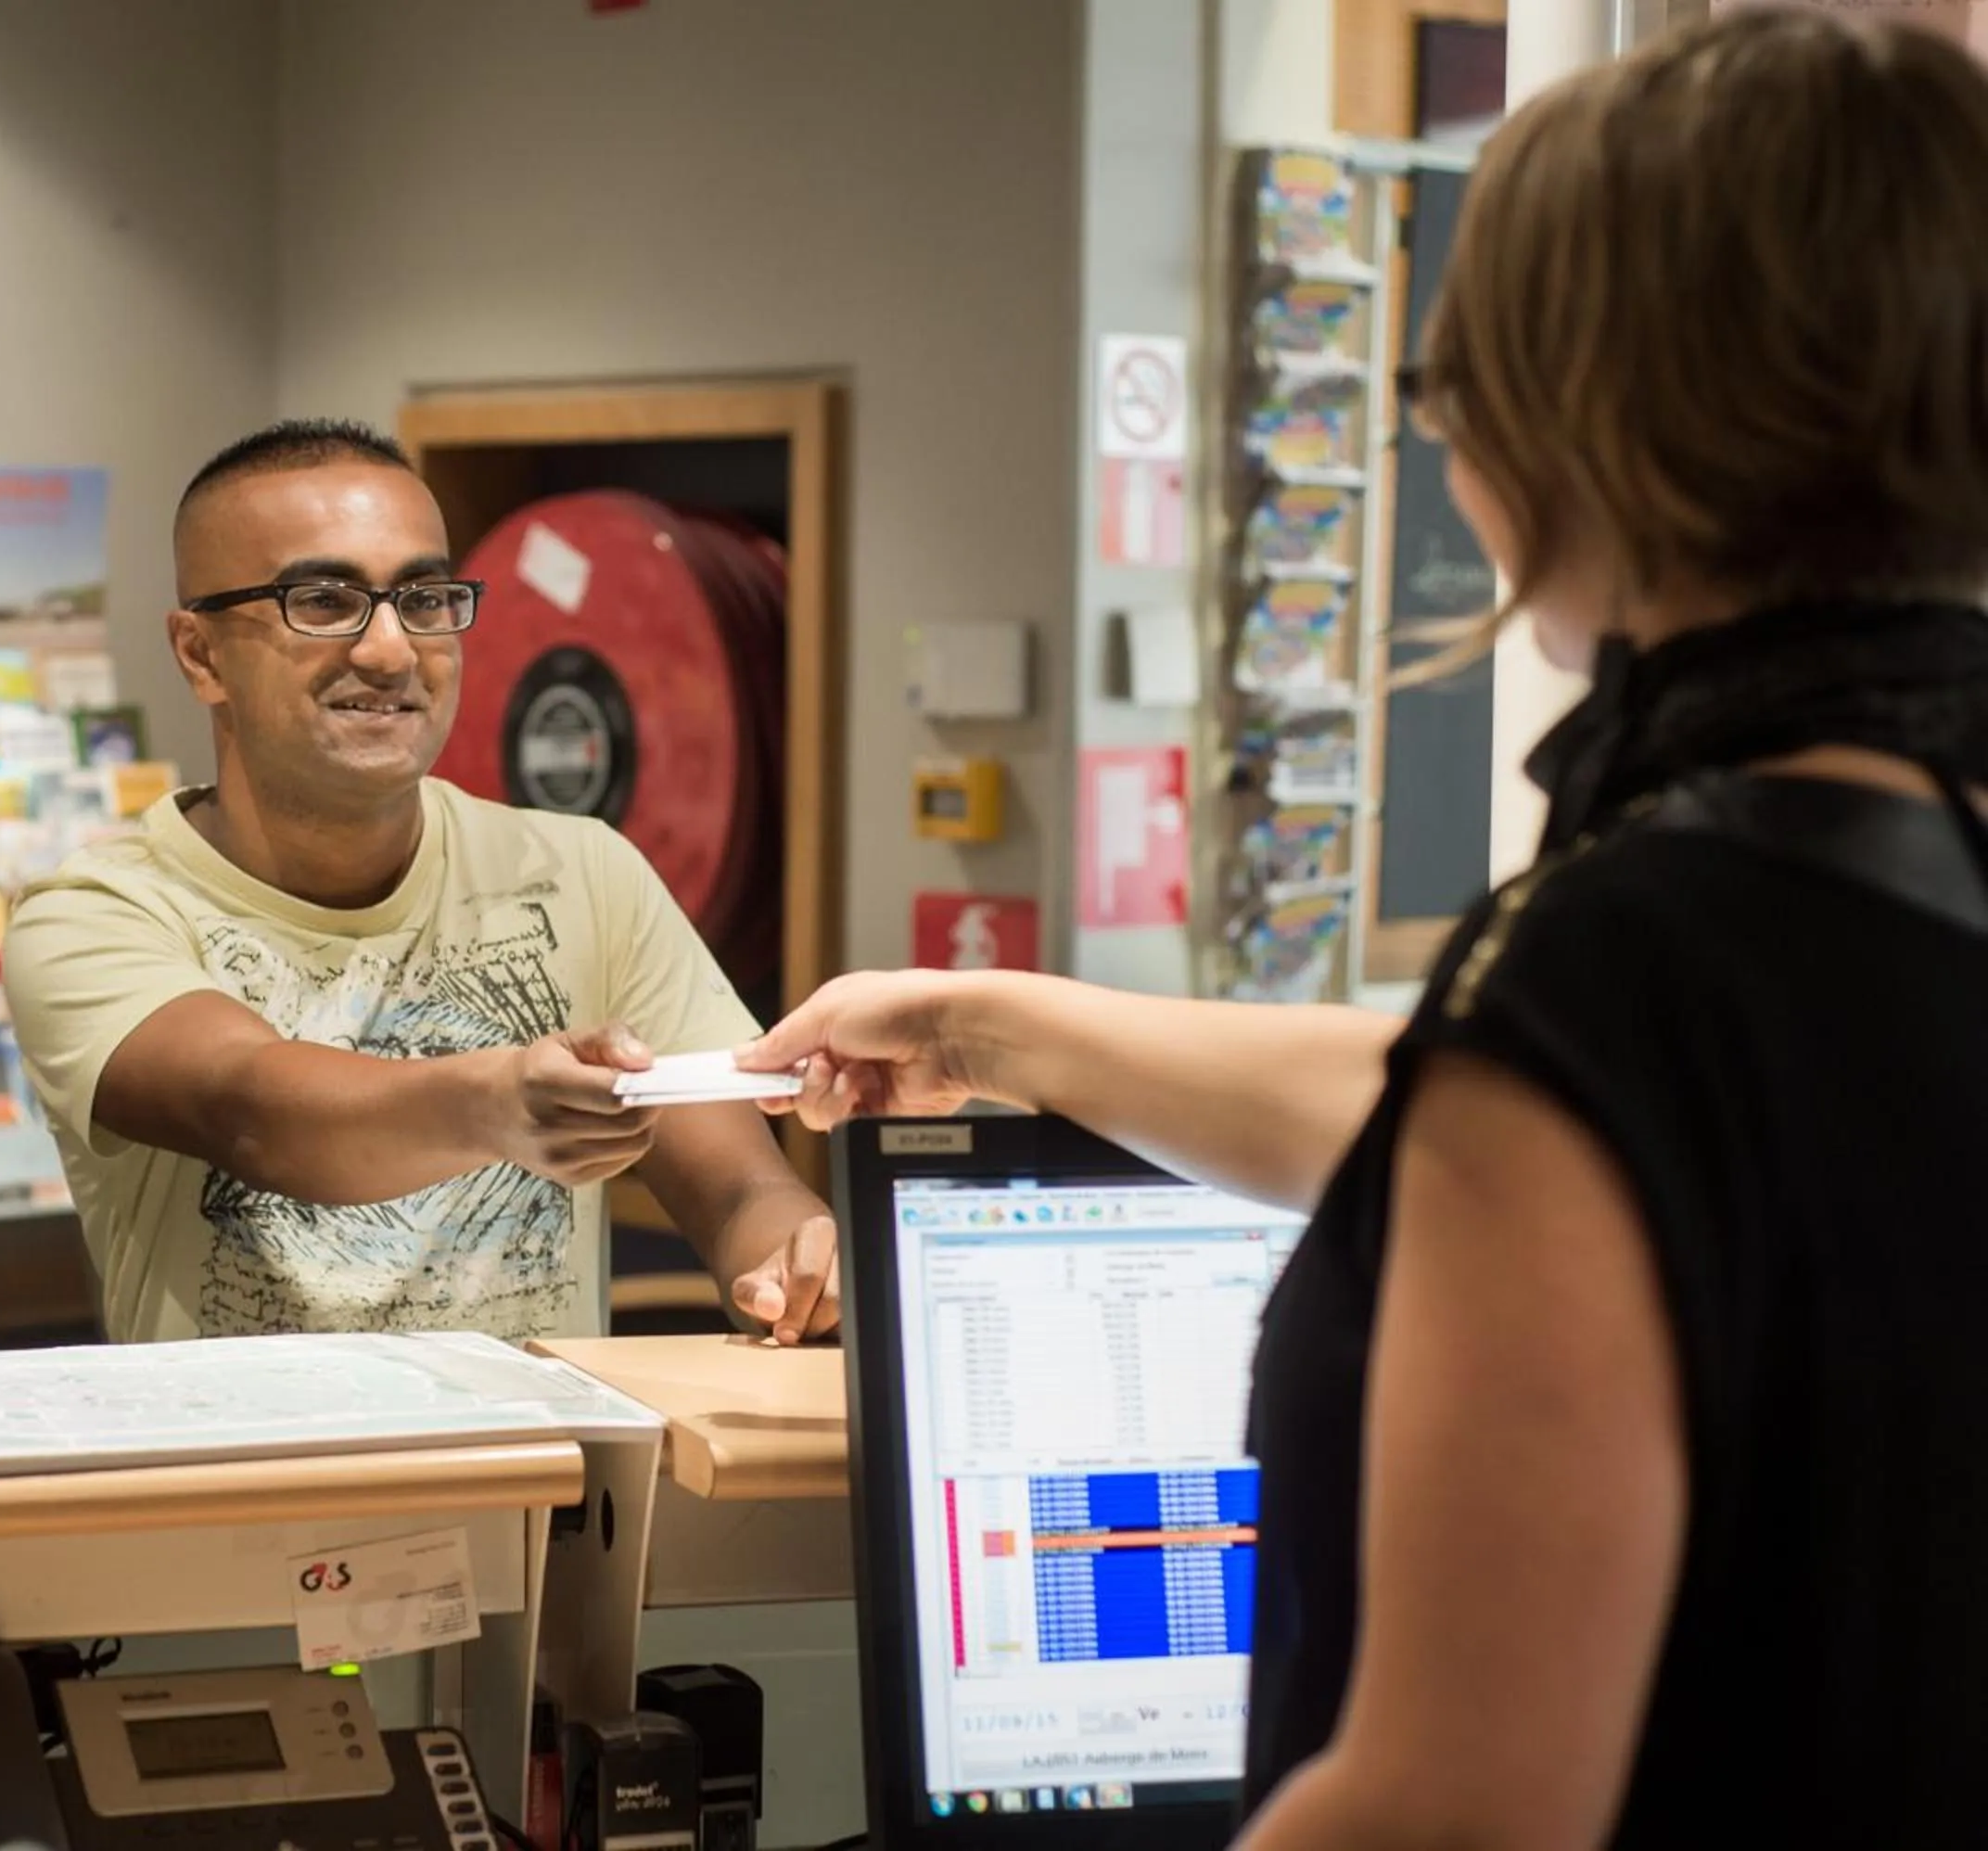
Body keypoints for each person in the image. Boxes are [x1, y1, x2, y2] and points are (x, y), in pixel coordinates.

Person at [744, 13, 1988, 1846]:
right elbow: (1471, 1107)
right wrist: (986, 1022)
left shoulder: (1621, 975)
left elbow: (1456, 1803)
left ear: (1585, 417)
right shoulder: (1888, 888)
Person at [2, 420, 836, 1347]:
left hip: (545, 1486)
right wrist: (498, 1101)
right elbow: (253, 1115)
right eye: (323, 601)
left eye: (426, 597)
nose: (394, 651)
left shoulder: (586, 873)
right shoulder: (96, 912)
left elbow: (740, 1186)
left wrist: (785, 1257)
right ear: (201, 654)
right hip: (239, 1488)